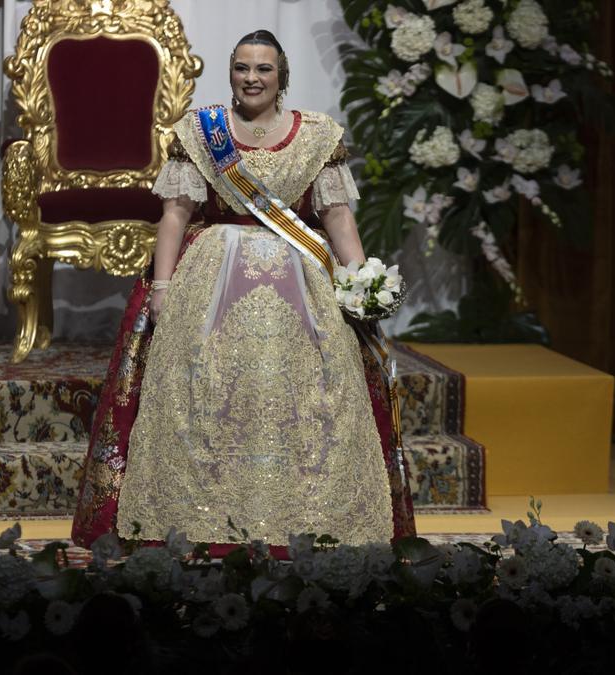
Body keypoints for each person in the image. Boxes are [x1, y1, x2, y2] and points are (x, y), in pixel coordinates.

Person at [72, 30, 414, 554]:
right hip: (211, 277)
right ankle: (197, 519)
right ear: (230, 72)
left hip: (301, 280)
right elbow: (175, 214)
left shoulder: (317, 135)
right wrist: (161, 288)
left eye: (263, 69)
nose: (252, 78)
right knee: (205, 386)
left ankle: (309, 519)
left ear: (282, 77)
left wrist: (359, 280)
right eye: (242, 68)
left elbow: (338, 217)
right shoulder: (202, 130)